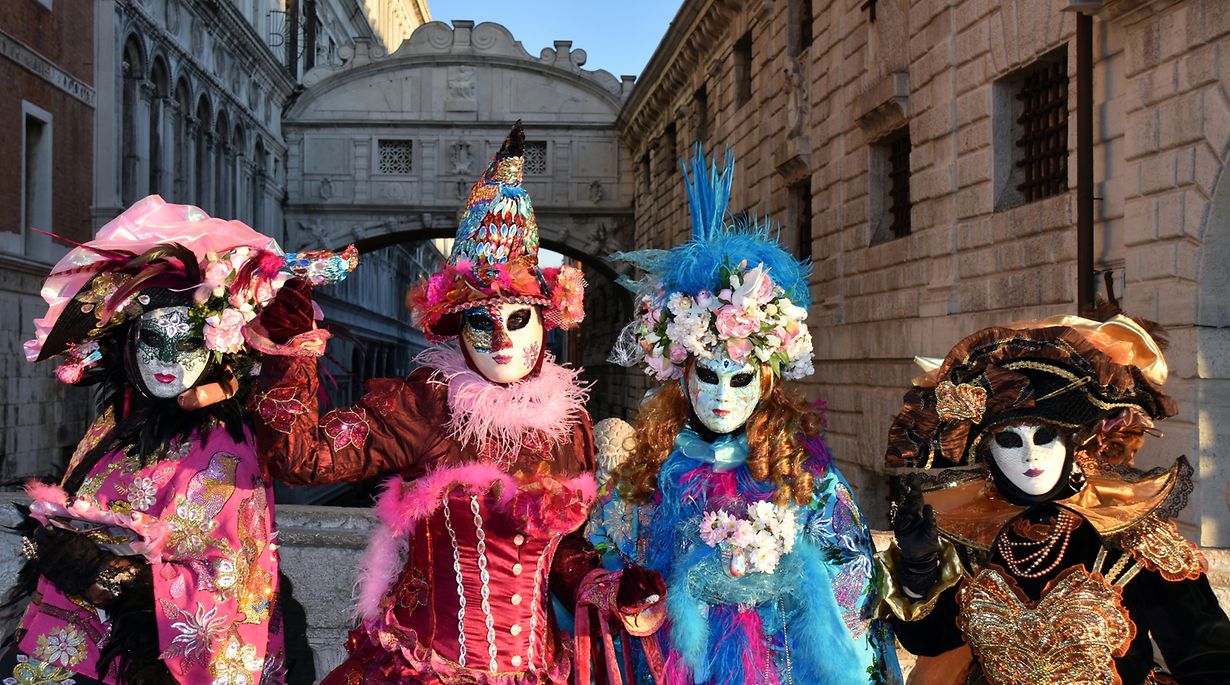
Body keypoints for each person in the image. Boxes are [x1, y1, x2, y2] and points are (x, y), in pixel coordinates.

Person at [248, 122, 600, 685]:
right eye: (481, 323)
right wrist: (292, 346)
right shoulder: (426, 407)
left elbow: (564, 550)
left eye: (517, 320)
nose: (502, 340)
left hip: (539, 668)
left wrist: (601, 584)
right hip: (426, 665)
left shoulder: (570, 421)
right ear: (456, 329)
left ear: (544, 321)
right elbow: (300, 458)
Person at [5, 197, 351, 684]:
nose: (168, 360)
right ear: (128, 344)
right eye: (153, 340)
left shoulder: (227, 447)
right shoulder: (115, 421)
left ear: (217, 347)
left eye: (187, 342)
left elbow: (231, 578)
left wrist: (113, 579)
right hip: (69, 646)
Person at [593, 147, 902, 685]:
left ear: (766, 382)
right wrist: (667, 587)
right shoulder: (647, 475)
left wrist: (788, 575)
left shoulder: (805, 474)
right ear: (681, 376)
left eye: (739, 380)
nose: (721, 397)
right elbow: (607, 565)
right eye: (708, 376)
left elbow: (856, 576)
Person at [880, 313, 1230, 685]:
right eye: (1010, 440)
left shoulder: (1130, 536)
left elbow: (1208, 658)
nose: (1031, 456)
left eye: (1045, 437)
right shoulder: (969, 537)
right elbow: (932, 642)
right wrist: (920, 572)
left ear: (1071, 442)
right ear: (987, 453)